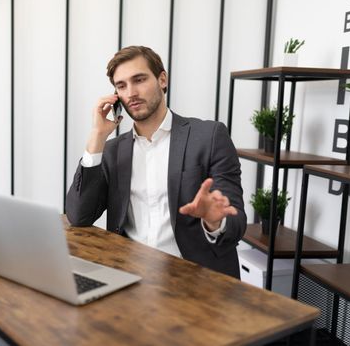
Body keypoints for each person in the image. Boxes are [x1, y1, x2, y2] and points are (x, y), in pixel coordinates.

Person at [66, 45, 246, 278]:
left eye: (139, 79)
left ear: (162, 79)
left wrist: (214, 220)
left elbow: (236, 222)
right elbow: (79, 216)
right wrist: (97, 137)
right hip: (129, 276)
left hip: (195, 278)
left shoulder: (209, 137)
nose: (131, 93)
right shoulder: (113, 150)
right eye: (121, 86)